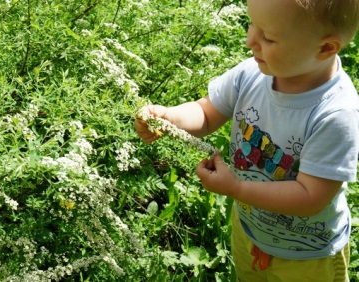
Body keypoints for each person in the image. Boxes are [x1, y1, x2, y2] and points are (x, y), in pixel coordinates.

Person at [134, 0, 359, 281]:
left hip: (306, 255)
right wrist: (169, 118)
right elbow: (205, 113)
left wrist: (237, 188)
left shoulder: (334, 114)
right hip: (250, 230)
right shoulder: (251, 74)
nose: (249, 40)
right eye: (253, 24)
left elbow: (311, 196)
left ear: (325, 48)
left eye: (269, 37)